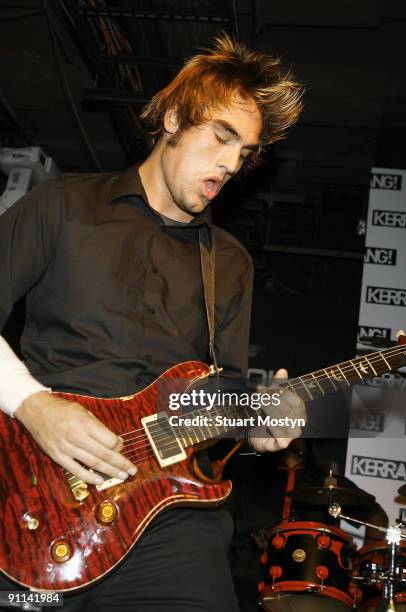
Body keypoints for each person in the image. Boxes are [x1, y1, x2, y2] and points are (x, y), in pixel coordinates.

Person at [0, 35, 305, 611]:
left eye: (246, 152)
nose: (232, 163)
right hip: (33, 481)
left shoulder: (231, 264)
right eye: (222, 136)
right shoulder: (64, 205)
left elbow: (217, 404)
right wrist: (33, 406)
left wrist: (260, 430)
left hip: (171, 521)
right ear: (172, 118)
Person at [225, 438, 388, 612]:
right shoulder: (248, 478)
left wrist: (357, 570)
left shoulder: (328, 484)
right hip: (249, 579)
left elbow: (378, 521)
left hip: (310, 583)